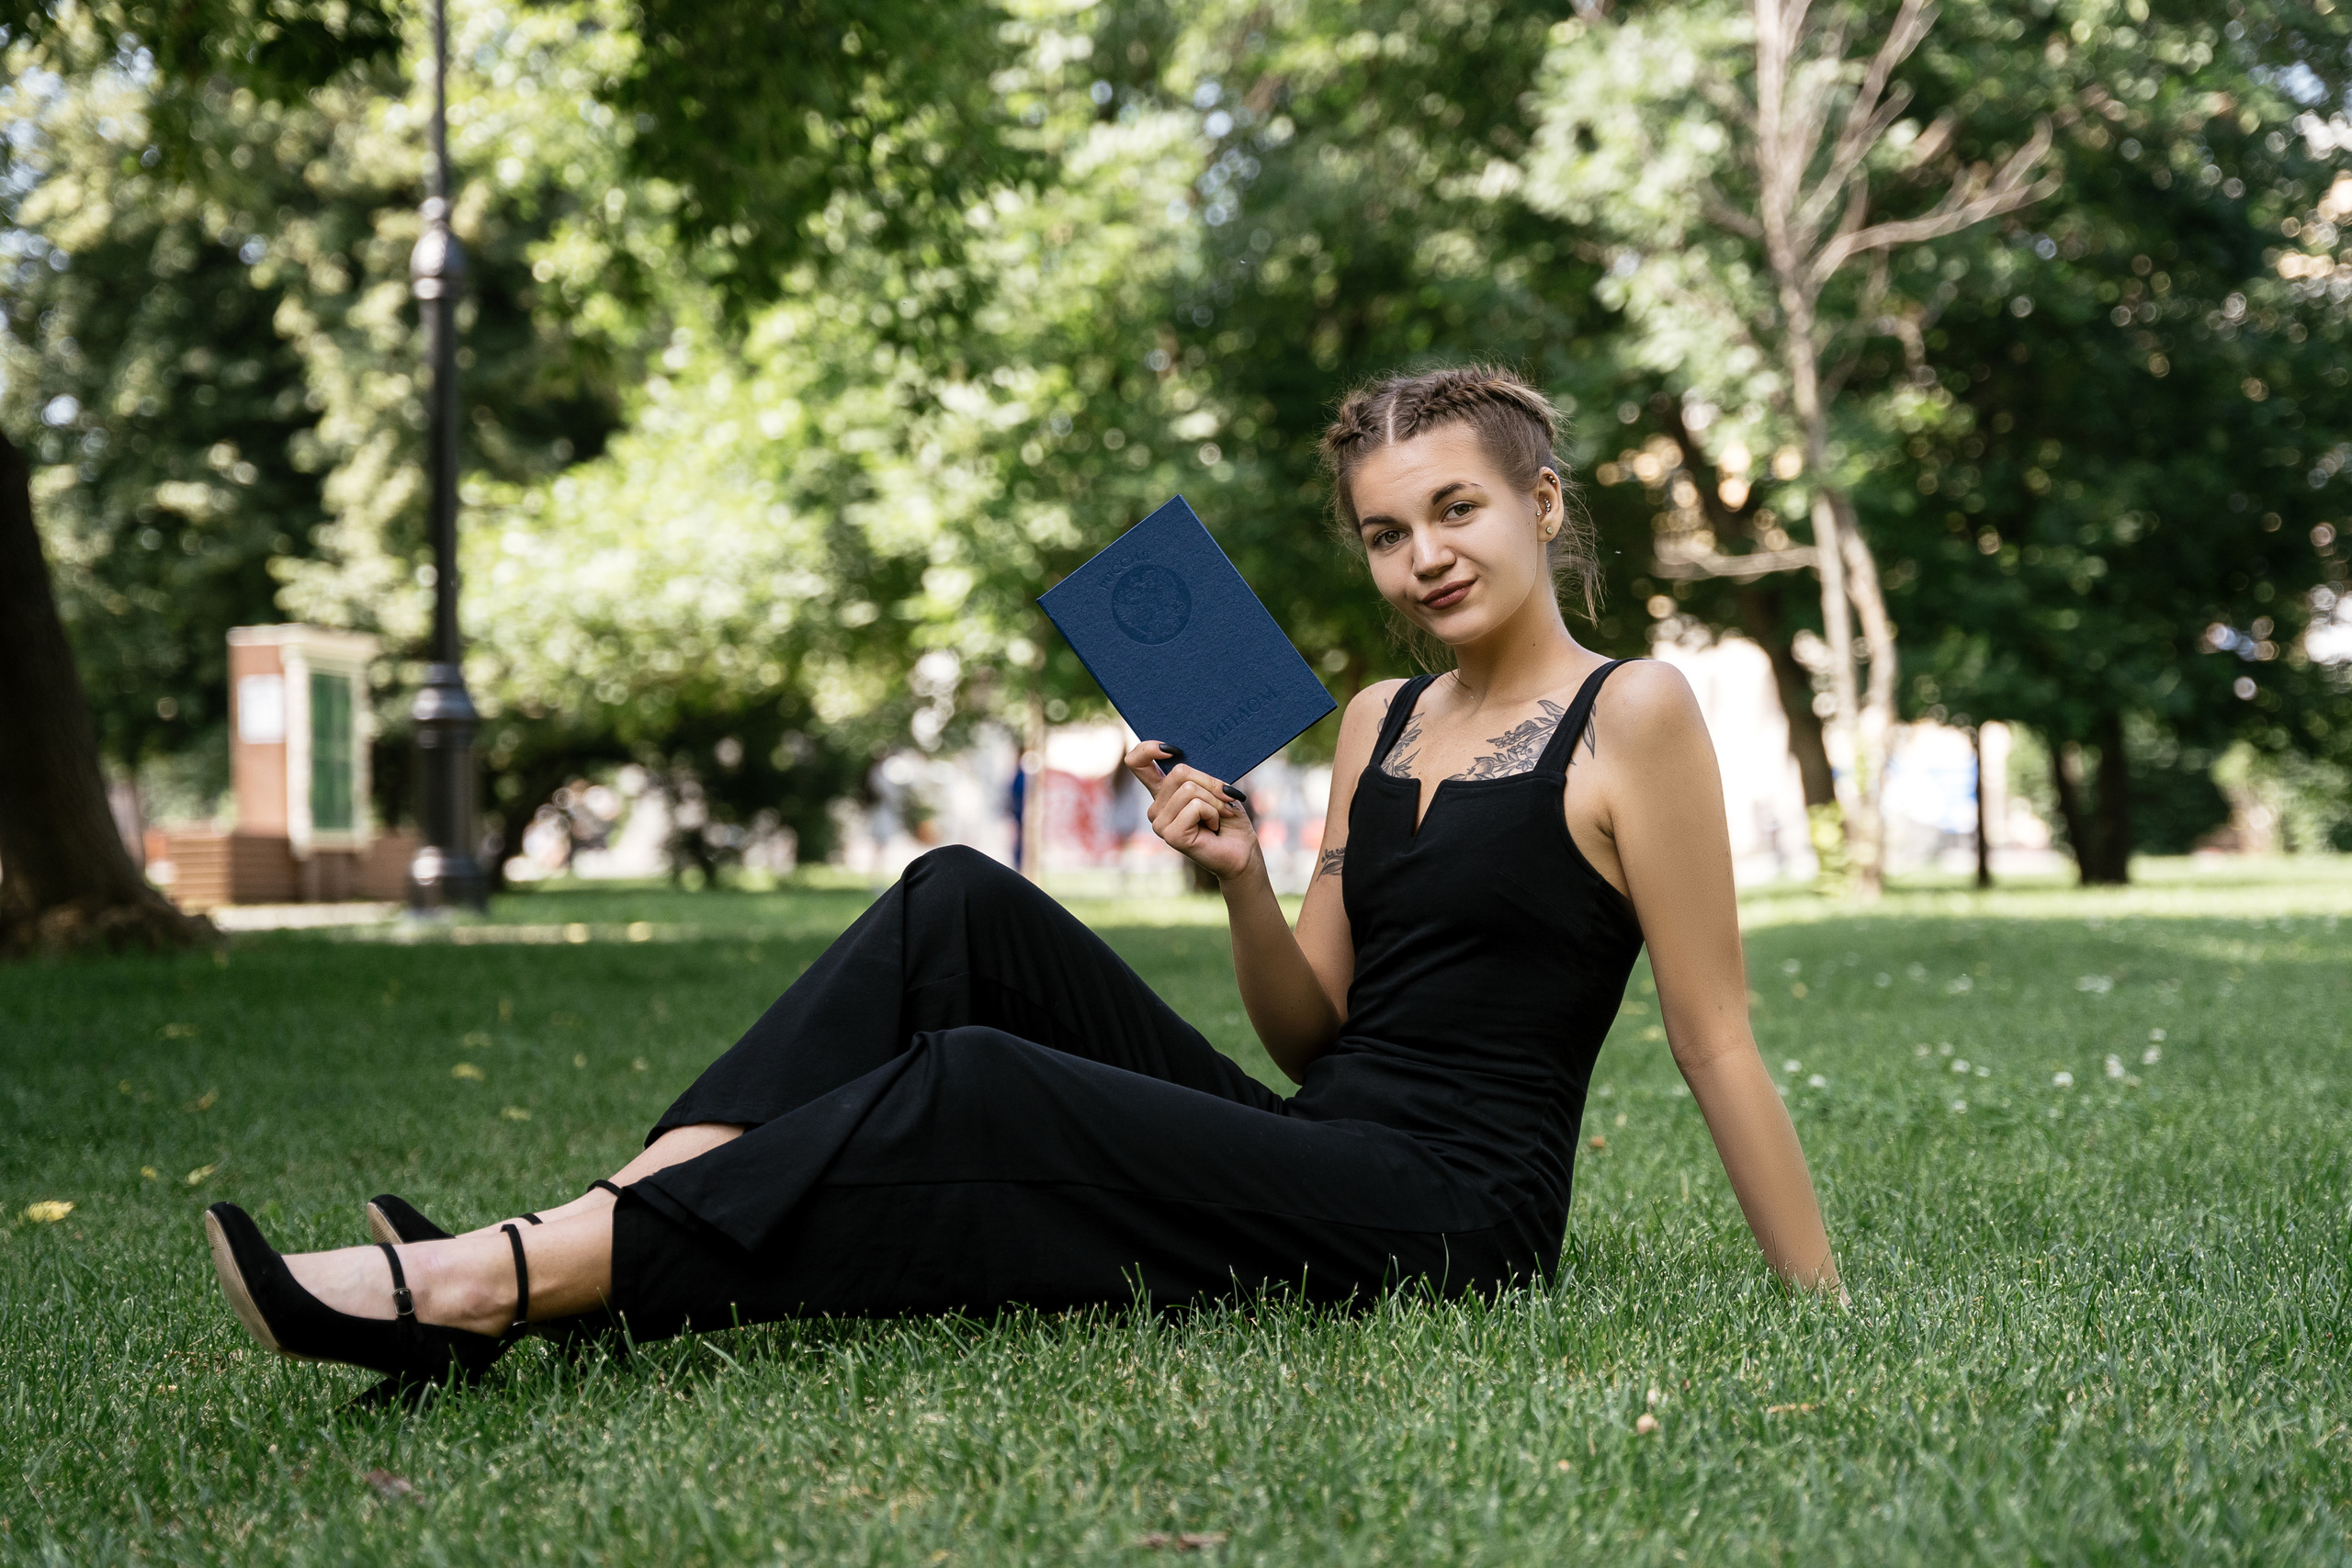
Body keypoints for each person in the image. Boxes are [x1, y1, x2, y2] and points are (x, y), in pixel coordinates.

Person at [202, 367, 1842, 1391]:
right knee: (951, 901)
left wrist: (1820, 1311)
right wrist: (1238, 880)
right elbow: (1311, 1035)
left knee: (981, 1085)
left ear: (1542, 504)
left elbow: (1714, 1037)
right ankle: (601, 1220)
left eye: (1458, 509)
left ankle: (498, 1279)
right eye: (1384, 530)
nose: (1424, 557)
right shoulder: (1375, 719)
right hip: (1320, 1140)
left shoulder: (1634, 713)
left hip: (1451, 1217)